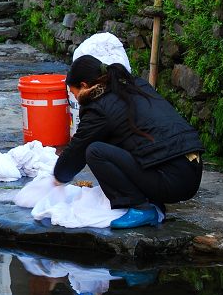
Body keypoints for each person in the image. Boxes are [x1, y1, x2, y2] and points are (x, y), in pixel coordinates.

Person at [53, 55, 204, 229]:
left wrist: (58, 177)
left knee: (95, 151)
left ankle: (141, 208)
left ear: (85, 86)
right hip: (190, 169)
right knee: (119, 141)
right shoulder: (133, 84)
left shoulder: (99, 107)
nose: (75, 97)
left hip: (172, 179)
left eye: (74, 92)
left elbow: (77, 151)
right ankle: (151, 199)